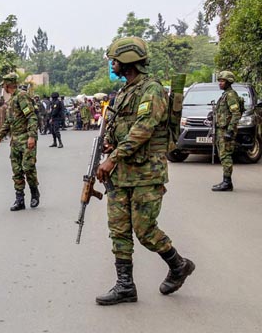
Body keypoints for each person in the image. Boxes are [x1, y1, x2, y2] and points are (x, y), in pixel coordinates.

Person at [95, 37, 195, 305]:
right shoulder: (126, 91)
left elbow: (143, 129)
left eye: (114, 60)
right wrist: (111, 143)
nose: (112, 64)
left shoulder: (151, 91)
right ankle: (125, 285)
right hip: (122, 174)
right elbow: (125, 128)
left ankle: (179, 264)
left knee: (145, 230)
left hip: (146, 175)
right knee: (118, 230)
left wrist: (112, 158)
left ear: (127, 61)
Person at [0, 73, 40, 211]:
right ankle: (20, 200)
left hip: (26, 139)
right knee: (17, 171)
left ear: (8, 84)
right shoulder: (12, 100)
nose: (4, 87)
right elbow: (8, 122)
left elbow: (31, 117)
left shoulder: (22, 96)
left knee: (28, 168)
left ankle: (35, 193)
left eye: (4, 85)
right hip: (15, 141)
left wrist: (31, 137)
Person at [211, 71, 242, 192]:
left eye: (222, 81)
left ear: (228, 82)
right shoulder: (225, 94)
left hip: (226, 130)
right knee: (223, 155)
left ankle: (227, 182)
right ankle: (226, 181)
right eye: (219, 81)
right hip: (221, 130)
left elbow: (236, 114)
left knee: (226, 156)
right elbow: (225, 112)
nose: (220, 83)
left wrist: (229, 131)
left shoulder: (230, 95)